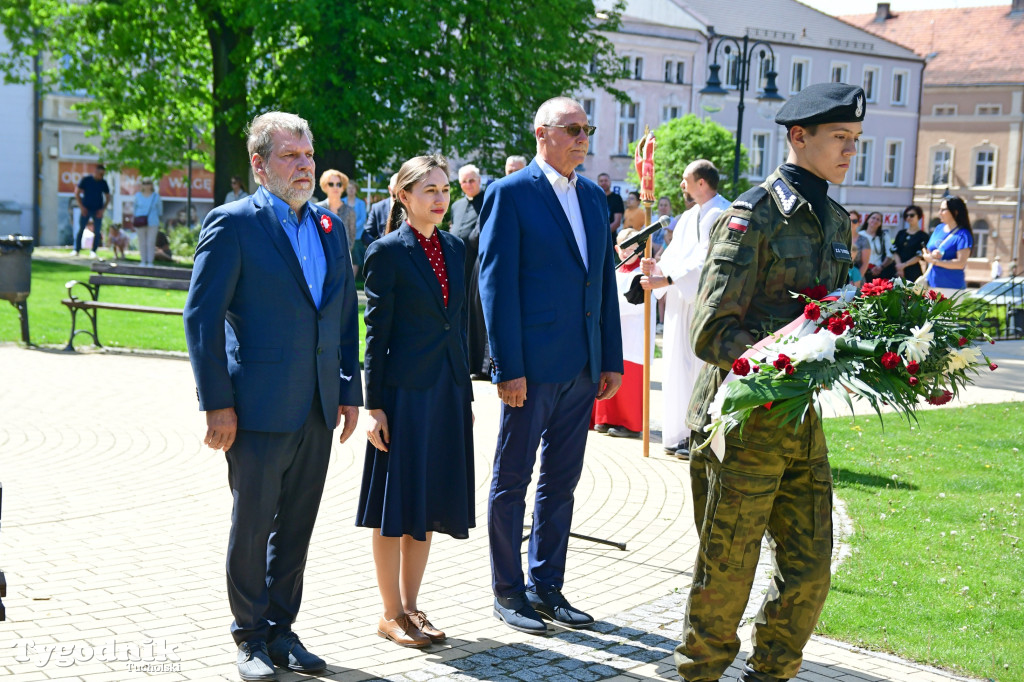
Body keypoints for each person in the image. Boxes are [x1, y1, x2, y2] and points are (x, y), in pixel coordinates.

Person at [676, 82, 863, 682]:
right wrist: (783, 363)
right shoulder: (750, 215)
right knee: (725, 576)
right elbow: (709, 332)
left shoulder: (835, 218)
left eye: (855, 141)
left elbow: (830, 313)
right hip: (740, 422)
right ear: (798, 137)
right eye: (840, 138)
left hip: (799, 422)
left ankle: (771, 674)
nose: (848, 151)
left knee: (811, 572)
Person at [183, 111, 362, 682]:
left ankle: (284, 630)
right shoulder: (232, 223)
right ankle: (250, 636)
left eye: (308, 156)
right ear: (260, 165)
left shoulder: (331, 227)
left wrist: (348, 389)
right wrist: (216, 402)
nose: (305, 166)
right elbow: (202, 316)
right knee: (255, 523)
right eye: (291, 156)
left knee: (299, 526)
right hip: (255, 408)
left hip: (316, 405)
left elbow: (341, 316)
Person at [479, 96, 623, 635]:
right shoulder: (509, 194)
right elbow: (495, 286)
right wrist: (506, 366)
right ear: (542, 133)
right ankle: (507, 590)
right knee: (511, 478)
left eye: (587, 128)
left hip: (582, 366)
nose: (583, 137)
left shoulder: (591, 195)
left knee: (561, 480)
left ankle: (547, 586)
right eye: (573, 128)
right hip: (531, 367)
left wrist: (609, 357)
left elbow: (602, 279)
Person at [357, 154, 475, 649]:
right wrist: (373, 405)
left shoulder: (454, 248)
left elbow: (460, 325)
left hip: (446, 392)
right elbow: (375, 335)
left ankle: (411, 606)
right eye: (429, 189)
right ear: (403, 196)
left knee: (424, 503)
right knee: (394, 505)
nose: (440, 197)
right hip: (402, 397)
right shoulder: (386, 252)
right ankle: (389, 613)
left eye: (444, 189)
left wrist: (464, 390)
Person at [640, 160, 730, 459]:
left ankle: (698, 434)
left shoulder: (721, 213)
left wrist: (664, 278)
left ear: (701, 183)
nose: (682, 184)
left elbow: (709, 260)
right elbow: (676, 254)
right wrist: (657, 266)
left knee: (697, 368)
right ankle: (678, 433)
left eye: (685, 179)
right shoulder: (689, 215)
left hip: (704, 302)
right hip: (680, 300)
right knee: (676, 367)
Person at [591, 228, 652, 438]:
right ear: (617, 249)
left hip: (633, 334)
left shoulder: (643, 276)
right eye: (624, 248)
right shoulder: (613, 272)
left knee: (629, 379)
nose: (628, 253)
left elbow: (637, 304)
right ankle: (605, 418)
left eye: (633, 248)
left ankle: (629, 423)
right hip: (611, 333)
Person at [450, 164, 489, 379]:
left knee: (477, 315)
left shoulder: (487, 201)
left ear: (479, 180)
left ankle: (479, 366)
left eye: (471, 180)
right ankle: (462, 360)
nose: (468, 184)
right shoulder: (456, 205)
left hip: (478, 266)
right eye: (464, 181)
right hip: (458, 267)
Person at [922, 195, 974, 290]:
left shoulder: (963, 235)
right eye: (939, 209)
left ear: (955, 212)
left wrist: (935, 262)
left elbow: (960, 263)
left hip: (951, 287)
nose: (939, 213)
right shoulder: (938, 228)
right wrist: (929, 255)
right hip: (931, 284)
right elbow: (928, 249)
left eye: (943, 210)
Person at [315, 169, 358, 260]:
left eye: (339, 184)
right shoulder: (316, 209)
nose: (335, 187)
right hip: (320, 257)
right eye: (331, 184)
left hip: (343, 258)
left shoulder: (350, 211)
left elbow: (352, 237)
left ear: (343, 188)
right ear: (325, 186)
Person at [73, 162, 110, 258]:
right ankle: (76, 250)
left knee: (97, 231)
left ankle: (93, 251)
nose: (101, 176)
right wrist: (81, 207)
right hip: (86, 208)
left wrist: (102, 210)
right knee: (81, 229)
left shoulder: (103, 183)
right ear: (95, 171)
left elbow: (108, 197)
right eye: (100, 174)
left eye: (103, 174)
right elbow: (76, 193)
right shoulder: (86, 180)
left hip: (98, 209)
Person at [891, 205, 928, 282]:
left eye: (912, 215)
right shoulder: (901, 233)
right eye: (906, 215)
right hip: (897, 270)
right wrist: (899, 266)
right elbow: (895, 250)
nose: (909, 217)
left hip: (913, 270)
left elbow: (919, 255)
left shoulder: (923, 236)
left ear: (918, 216)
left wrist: (904, 265)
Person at [133, 178, 163, 266]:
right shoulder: (137, 196)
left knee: (151, 242)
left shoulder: (156, 196)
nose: (146, 185)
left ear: (152, 185)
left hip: (153, 222)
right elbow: (134, 209)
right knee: (142, 242)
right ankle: (143, 261)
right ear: (141, 185)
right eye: (144, 183)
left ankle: (150, 261)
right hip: (140, 222)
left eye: (148, 183)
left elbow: (160, 210)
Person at [364, 173, 398, 246]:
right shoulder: (377, 208)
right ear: (389, 189)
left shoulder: (411, 207)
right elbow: (367, 234)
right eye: (394, 195)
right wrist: (378, 247)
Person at [344, 180, 368, 275]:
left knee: (355, 260)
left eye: (353, 188)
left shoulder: (361, 203)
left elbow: (363, 219)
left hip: (357, 236)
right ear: (346, 189)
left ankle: (351, 284)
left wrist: (352, 228)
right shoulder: (341, 202)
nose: (351, 190)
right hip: (344, 235)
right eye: (349, 188)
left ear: (356, 190)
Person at [862, 211, 892, 279]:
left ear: (880, 223)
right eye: (873, 218)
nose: (875, 220)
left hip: (879, 272)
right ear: (868, 220)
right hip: (861, 272)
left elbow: (890, 254)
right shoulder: (860, 235)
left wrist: (880, 267)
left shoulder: (884, 236)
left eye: (878, 219)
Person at [849, 209, 870, 288]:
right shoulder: (839, 238)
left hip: (856, 277)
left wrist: (855, 280)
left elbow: (865, 263)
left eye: (854, 221)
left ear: (858, 223)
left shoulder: (864, 240)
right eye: (849, 220)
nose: (851, 223)